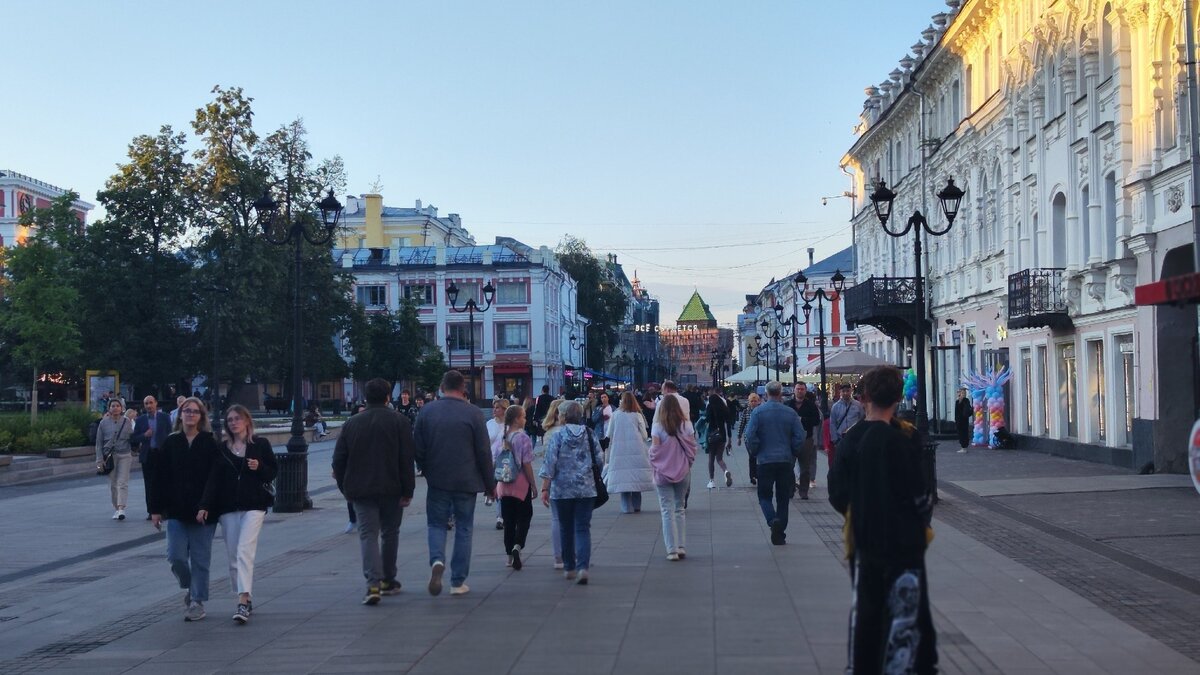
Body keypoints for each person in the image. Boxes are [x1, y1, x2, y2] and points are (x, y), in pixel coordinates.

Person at [828, 366, 937, 674]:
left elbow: (837, 493)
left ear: (864, 398)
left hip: (863, 539)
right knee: (907, 611)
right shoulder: (904, 438)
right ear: (898, 398)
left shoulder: (851, 440)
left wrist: (860, 509)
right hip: (905, 544)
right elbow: (921, 494)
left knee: (866, 610)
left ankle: (862, 665)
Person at [332, 378, 416, 605]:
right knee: (390, 533)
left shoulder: (352, 423)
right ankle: (388, 579)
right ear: (388, 397)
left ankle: (373, 584)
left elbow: (338, 460)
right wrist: (408, 489)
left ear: (365, 397)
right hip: (392, 488)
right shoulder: (399, 421)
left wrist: (345, 487)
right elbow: (407, 459)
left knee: (368, 534)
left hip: (360, 490)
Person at [414, 370, 495, 597]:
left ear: (442, 387)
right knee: (464, 528)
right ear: (463, 388)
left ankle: (437, 560)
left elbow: (417, 446)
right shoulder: (474, 414)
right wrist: (490, 485)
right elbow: (483, 452)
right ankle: (458, 581)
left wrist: (426, 467)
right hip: (467, 481)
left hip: (438, 479)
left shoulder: (427, 411)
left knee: (436, 524)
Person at [197, 404, 277, 623]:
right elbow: (213, 479)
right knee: (234, 557)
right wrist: (204, 505)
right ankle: (246, 595)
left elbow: (272, 471)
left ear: (247, 421)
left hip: (254, 505)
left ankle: (242, 602)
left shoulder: (260, 445)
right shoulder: (222, 448)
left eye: (237, 419)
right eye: (230, 420)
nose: (233, 422)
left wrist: (258, 467)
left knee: (244, 550)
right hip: (228, 508)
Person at [149, 396, 220, 621]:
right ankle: (190, 585)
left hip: (203, 511)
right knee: (175, 556)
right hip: (177, 510)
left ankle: (197, 601)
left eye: (195, 411)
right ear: (180, 415)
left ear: (201, 416)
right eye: (186, 411)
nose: (190, 415)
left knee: (200, 559)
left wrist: (206, 505)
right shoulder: (171, 442)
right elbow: (159, 478)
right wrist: (156, 509)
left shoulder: (210, 442)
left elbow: (215, 478)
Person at [539, 400, 603, 585]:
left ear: (564, 417)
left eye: (560, 414)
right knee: (583, 528)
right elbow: (599, 459)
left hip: (562, 490)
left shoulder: (558, 436)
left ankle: (569, 567)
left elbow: (549, 463)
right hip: (586, 489)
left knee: (566, 528)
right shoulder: (590, 434)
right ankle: (583, 566)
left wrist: (545, 487)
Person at [744, 381, 805, 545]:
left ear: (766, 394)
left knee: (764, 495)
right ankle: (780, 531)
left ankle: (772, 521)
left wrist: (755, 451)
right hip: (785, 460)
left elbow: (749, 435)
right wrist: (793, 452)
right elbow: (800, 436)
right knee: (783, 497)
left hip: (765, 460)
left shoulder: (758, 412)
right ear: (780, 394)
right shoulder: (790, 413)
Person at [648, 395, 696, 561]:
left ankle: (672, 550)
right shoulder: (687, 425)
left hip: (663, 472)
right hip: (683, 470)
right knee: (679, 508)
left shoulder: (657, 427)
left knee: (666, 510)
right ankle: (681, 546)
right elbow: (692, 447)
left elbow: (654, 451)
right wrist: (688, 463)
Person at [495, 404, 537, 570]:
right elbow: (526, 464)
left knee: (509, 520)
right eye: (524, 416)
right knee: (525, 516)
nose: (525, 419)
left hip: (504, 484)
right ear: (517, 419)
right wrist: (533, 484)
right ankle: (517, 545)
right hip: (520, 484)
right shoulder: (523, 438)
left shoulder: (503, 436)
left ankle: (508, 557)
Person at [604, 391, 655, 513]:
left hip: (619, 450)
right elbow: (644, 435)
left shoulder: (615, 415)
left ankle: (626, 507)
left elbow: (609, 434)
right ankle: (637, 505)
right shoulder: (637, 415)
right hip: (637, 449)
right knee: (636, 478)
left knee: (624, 480)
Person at [132, 395, 173, 520]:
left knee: (164, 482)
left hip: (162, 454)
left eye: (150, 403)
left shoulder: (165, 418)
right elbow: (134, 439)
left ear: (156, 403)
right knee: (149, 484)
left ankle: (165, 510)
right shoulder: (140, 420)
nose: (148, 406)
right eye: (146, 403)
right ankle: (151, 511)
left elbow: (170, 434)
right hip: (148, 455)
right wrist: (144, 435)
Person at [95, 399, 136, 520]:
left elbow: (131, 437)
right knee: (113, 484)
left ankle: (121, 508)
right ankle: (116, 508)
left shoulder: (127, 421)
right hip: (110, 457)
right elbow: (98, 442)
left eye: (118, 405)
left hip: (125, 455)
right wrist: (99, 459)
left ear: (122, 408)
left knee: (122, 482)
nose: (115, 408)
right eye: (113, 406)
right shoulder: (103, 423)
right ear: (109, 408)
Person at [541, 399, 567, 569]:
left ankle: (558, 556)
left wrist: (544, 486)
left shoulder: (549, 433)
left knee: (557, 519)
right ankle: (571, 553)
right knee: (573, 520)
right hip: (572, 480)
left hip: (554, 479)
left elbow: (547, 461)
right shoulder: (567, 431)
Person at [789, 382, 822, 498]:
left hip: (806, 439)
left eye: (802, 389)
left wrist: (802, 419)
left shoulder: (811, 405)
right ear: (794, 390)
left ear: (805, 391)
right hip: (791, 439)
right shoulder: (788, 404)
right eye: (798, 389)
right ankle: (790, 488)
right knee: (789, 466)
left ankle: (803, 491)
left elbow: (816, 421)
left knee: (805, 468)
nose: (800, 391)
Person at [486, 399, 511, 530]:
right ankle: (493, 499)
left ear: (504, 410)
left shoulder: (509, 425)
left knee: (503, 488)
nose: (494, 410)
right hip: (491, 460)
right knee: (495, 487)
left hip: (505, 461)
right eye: (494, 407)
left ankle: (500, 516)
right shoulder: (489, 424)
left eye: (497, 408)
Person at [828, 384, 865, 464]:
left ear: (851, 391)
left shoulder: (858, 405)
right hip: (841, 439)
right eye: (843, 391)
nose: (845, 393)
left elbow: (863, 420)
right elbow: (832, 423)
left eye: (847, 391)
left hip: (856, 438)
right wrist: (835, 440)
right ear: (840, 392)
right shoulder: (835, 407)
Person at [703, 392, 732, 489]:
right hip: (722, 436)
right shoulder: (724, 408)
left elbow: (707, 419)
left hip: (712, 435)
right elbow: (728, 424)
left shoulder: (710, 407)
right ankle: (726, 471)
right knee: (719, 458)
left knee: (711, 458)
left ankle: (711, 481)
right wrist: (729, 439)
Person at [736, 393, 762, 486]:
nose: (753, 403)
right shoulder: (746, 411)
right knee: (752, 456)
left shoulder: (761, 411)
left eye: (755, 401)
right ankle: (753, 476)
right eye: (752, 401)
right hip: (749, 438)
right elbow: (742, 424)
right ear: (749, 402)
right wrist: (739, 437)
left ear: (758, 401)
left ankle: (758, 474)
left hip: (759, 437)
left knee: (758, 457)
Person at [955, 388, 973, 453]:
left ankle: (964, 447)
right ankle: (963, 447)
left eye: (963, 393)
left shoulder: (965, 401)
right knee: (961, 433)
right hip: (959, 420)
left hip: (963, 420)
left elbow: (966, 411)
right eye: (960, 392)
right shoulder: (958, 401)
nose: (960, 394)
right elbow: (957, 412)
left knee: (963, 433)